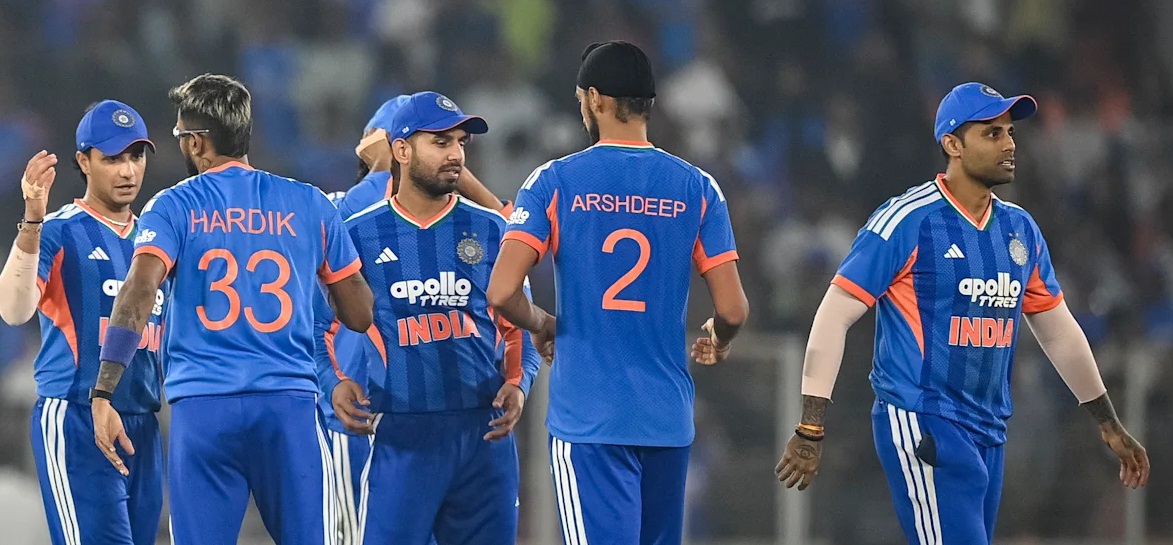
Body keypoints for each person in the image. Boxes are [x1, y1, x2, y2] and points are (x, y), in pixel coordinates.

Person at [775, 82, 1151, 544]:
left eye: (1010, 132)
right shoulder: (908, 220)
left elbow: (1059, 333)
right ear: (952, 144)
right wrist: (810, 426)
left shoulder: (1020, 230)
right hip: (922, 418)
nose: (1009, 144)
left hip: (989, 430)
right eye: (992, 133)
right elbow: (835, 314)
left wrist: (1108, 423)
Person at [88, 73, 374, 545]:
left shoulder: (172, 206)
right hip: (288, 408)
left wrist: (104, 390)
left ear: (197, 142)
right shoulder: (309, 203)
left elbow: (138, 291)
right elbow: (360, 314)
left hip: (204, 410)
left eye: (181, 136)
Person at [486, 41, 750, 544]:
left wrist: (542, 323)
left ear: (595, 99)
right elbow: (733, 309)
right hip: (667, 420)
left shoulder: (554, 181)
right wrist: (720, 337)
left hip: (590, 420)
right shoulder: (698, 187)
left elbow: (501, 292)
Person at [315, 94, 537, 545]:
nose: (456, 154)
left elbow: (518, 323)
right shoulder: (358, 233)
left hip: (485, 438)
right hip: (401, 436)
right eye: (440, 142)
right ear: (401, 150)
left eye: (460, 142)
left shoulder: (492, 229)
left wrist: (519, 382)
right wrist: (332, 382)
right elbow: (318, 326)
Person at [0, 100, 165, 545]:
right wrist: (32, 220)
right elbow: (13, 310)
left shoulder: (157, 239)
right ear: (83, 161)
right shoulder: (58, 230)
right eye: (112, 158)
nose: (127, 171)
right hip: (77, 416)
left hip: (144, 422)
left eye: (136, 156)